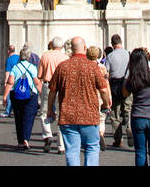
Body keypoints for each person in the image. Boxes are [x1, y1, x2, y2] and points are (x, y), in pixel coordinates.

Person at [47, 37, 111, 166]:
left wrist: (50, 110)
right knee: (92, 148)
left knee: (72, 151)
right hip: (89, 115)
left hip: (68, 116)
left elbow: (52, 91)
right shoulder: (93, 67)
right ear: (85, 48)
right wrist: (105, 104)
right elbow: (104, 90)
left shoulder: (62, 67)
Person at [3, 45, 40, 148]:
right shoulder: (32, 67)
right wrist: (42, 94)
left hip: (16, 95)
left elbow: (10, 83)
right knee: (29, 117)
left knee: (18, 117)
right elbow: (36, 83)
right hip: (30, 95)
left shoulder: (15, 67)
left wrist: (5, 96)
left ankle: (20, 140)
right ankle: (26, 138)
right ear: (29, 57)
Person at [36, 37, 67, 152]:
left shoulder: (45, 56)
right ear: (62, 46)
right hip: (62, 86)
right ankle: (61, 145)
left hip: (48, 85)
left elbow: (39, 74)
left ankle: (48, 135)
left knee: (44, 112)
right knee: (61, 114)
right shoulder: (65, 58)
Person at [104, 34, 132, 148]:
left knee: (115, 114)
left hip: (115, 86)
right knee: (128, 108)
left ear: (112, 44)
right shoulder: (128, 54)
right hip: (127, 84)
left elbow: (106, 74)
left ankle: (118, 139)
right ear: (121, 42)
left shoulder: (110, 56)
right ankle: (129, 127)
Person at [1, 44, 18, 117]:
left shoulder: (9, 59)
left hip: (11, 79)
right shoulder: (18, 57)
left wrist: (5, 81)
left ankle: (8, 111)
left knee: (9, 96)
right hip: (18, 79)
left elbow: (7, 72)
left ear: (8, 51)